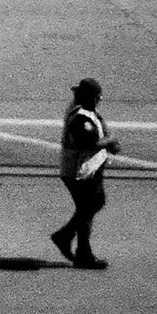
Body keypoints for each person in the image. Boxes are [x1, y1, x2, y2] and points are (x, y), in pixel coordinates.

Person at [50, 77, 119, 269]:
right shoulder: (80, 117)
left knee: (89, 207)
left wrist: (109, 140)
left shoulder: (89, 111)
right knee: (90, 207)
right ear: (89, 97)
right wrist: (109, 140)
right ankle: (75, 247)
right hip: (78, 172)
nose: (100, 100)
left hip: (87, 170)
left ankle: (74, 246)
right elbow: (88, 143)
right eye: (97, 97)